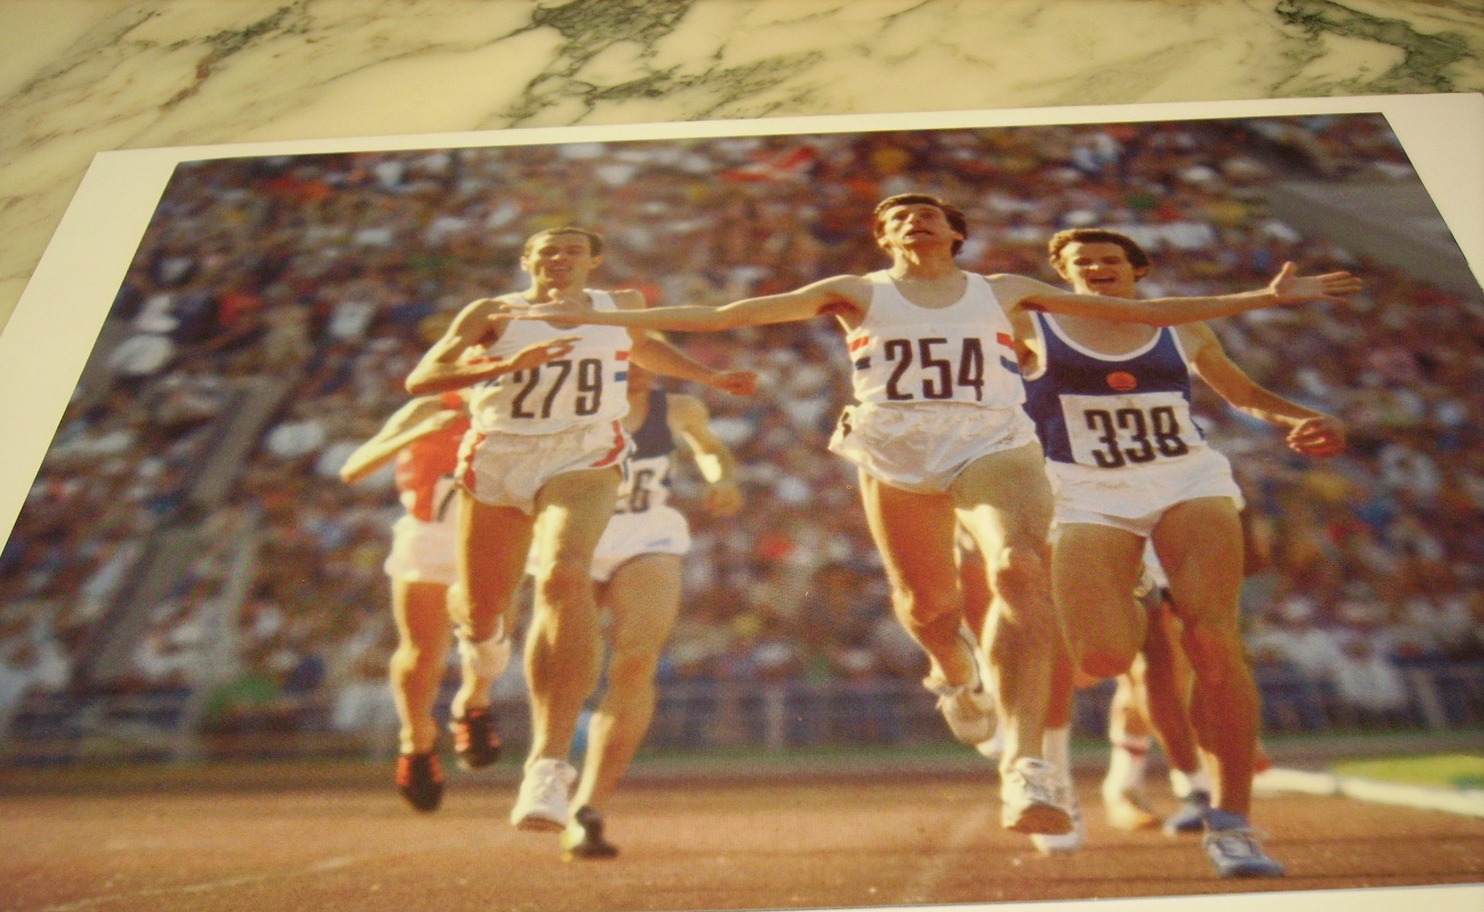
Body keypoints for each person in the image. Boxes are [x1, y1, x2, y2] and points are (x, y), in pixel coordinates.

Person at [516, 196, 1360, 840]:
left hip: (995, 444)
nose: (910, 223)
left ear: (953, 234)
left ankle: (1029, 768)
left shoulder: (1006, 290)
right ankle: (954, 676)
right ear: (884, 240)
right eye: (896, 217)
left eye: (925, 214)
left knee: (1018, 569)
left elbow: (1143, 317)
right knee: (926, 608)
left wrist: (1262, 298)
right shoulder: (855, 292)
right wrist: (605, 315)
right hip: (894, 452)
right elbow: (724, 317)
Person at [1014, 227, 1350, 877]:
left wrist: (1303, 417)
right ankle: (1139, 582)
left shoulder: (1183, 327)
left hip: (1186, 481)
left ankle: (1232, 824)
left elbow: (1244, 395)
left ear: (1136, 269)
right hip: (1086, 494)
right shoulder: (1034, 323)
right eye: (1081, 263)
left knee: (1214, 642)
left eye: (1109, 260)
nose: (1096, 269)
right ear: (1062, 275)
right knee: (1106, 655)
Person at [404, 226, 755, 834]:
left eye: (572, 249)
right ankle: (479, 669)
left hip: (584, 456)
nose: (559, 258)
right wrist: (505, 362)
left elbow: (644, 348)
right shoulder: (494, 312)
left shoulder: (620, 306)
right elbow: (424, 378)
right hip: (501, 459)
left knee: (564, 575)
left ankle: (548, 764)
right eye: (546, 249)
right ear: (526, 260)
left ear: (593, 260)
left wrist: (708, 377)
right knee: (484, 612)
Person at [558, 366, 743, 860]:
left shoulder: (677, 408)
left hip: (645, 532)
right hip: (571, 539)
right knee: (568, 668)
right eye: (623, 362)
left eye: (645, 359)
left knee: (635, 662)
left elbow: (709, 448)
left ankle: (587, 808)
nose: (637, 372)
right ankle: (547, 770)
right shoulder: (564, 403)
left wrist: (720, 477)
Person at [338, 393, 484, 813]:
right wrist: (421, 430)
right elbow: (354, 469)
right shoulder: (431, 405)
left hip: (495, 533)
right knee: (423, 650)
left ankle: (474, 704)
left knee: (489, 628)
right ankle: (416, 740)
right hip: (431, 536)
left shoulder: (531, 395)